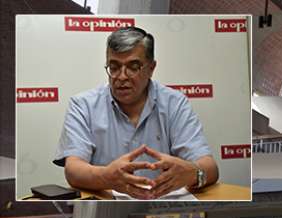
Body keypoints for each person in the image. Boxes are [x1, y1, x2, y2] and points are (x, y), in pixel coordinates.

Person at [53, 26, 218, 199]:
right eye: (114, 67)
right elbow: (73, 170)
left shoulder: (174, 104)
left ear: (151, 68)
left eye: (133, 67)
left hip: (163, 204)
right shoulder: (83, 105)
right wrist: (107, 177)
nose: (122, 76)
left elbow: (210, 168)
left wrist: (194, 173)